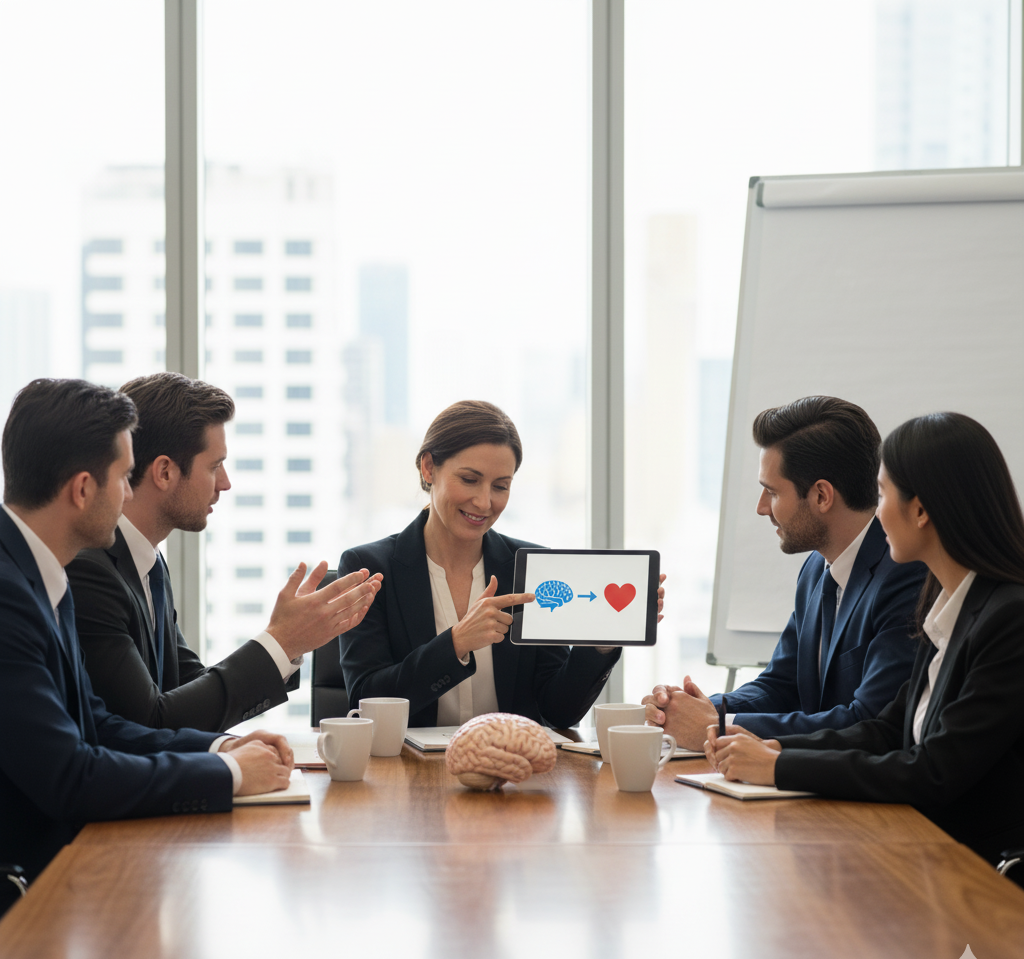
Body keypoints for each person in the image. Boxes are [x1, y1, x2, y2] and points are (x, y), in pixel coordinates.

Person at [0, 379, 293, 915]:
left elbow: (97, 724)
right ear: (83, 489)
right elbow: (70, 775)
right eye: (121, 479)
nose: (130, 494)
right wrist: (227, 775)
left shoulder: (46, 575)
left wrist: (220, 750)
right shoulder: (10, 592)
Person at [707, 412, 1024, 867]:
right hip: (921, 850)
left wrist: (779, 767)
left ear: (920, 510)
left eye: (881, 494)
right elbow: (887, 730)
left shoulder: (1008, 617)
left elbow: (932, 770)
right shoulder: (945, 601)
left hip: (981, 871)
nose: (874, 512)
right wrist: (776, 748)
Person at [66, 373, 381, 732]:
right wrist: (281, 640)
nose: (225, 483)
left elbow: (188, 690)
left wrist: (289, 644)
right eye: (215, 466)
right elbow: (149, 721)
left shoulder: (149, 566)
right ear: (165, 472)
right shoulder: (90, 571)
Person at [337, 400, 665, 729]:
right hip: (408, 770)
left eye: (500, 486)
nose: (484, 502)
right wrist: (456, 643)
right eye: (469, 479)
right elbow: (367, 701)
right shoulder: (368, 569)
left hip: (514, 768)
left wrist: (600, 641)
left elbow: (558, 712)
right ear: (428, 467)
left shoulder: (532, 569)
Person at [644, 396, 926, 749]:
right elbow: (781, 685)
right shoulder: (815, 569)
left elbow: (868, 720)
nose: (762, 508)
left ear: (822, 496)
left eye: (772, 492)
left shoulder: (906, 574)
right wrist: (693, 710)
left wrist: (718, 724)